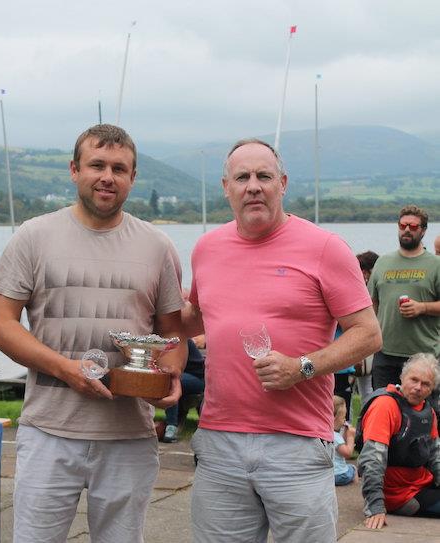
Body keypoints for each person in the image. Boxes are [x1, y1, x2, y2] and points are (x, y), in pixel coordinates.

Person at [0, 124, 187, 543]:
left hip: (129, 434)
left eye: (119, 168)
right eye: (97, 165)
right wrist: (65, 369)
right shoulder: (33, 236)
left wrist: (168, 379)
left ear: (133, 178)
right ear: (74, 169)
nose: (107, 177)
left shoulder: (156, 245)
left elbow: (171, 333)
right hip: (49, 431)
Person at [181, 138, 382, 543]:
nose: (253, 185)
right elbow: (190, 319)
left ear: (283, 183)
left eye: (263, 176)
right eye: (242, 177)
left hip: (296, 443)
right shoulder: (207, 248)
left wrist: (301, 367)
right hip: (219, 441)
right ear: (226, 187)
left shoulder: (324, 247)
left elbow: (368, 333)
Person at [357, 353, 440, 529]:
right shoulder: (384, 406)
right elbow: (372, 459)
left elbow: (435, 455)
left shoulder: (428, 411)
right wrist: (375, 507)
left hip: (421, 483)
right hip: (400, 495)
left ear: (432, 389)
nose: (418, 387)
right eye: (414, 380)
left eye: (425, 384)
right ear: (402, 378)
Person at [368, 205, 440, 390]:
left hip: (423, 356)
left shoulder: (435, 264)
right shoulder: (383, 262)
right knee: (382, 408)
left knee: (422, 414)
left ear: (423, 231)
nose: (407, 229)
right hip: (385, 353)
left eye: (414, 226)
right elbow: (371, 304)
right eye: (403, 225)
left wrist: (422, 307)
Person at [163, 337, 205, 443]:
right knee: (169, 380)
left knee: (171, 382)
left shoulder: (179, 339)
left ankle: (171, 427)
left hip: (198, 378)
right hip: (185, 376)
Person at [353, 251, 380, 404]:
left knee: (367, 389)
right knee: (366, 388)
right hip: (367, 348)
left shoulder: (367, 290)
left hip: (369, 348)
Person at [333, 396, 358, 486]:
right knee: (353, 468)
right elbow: (347, 453)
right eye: (343, 417)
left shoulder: (326, 433)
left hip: (327, 475)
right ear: (335, 418)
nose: (344, 420)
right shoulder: (335, 436)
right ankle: (354, 488)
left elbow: (338, 449)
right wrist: (351, 437)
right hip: (340, 474)